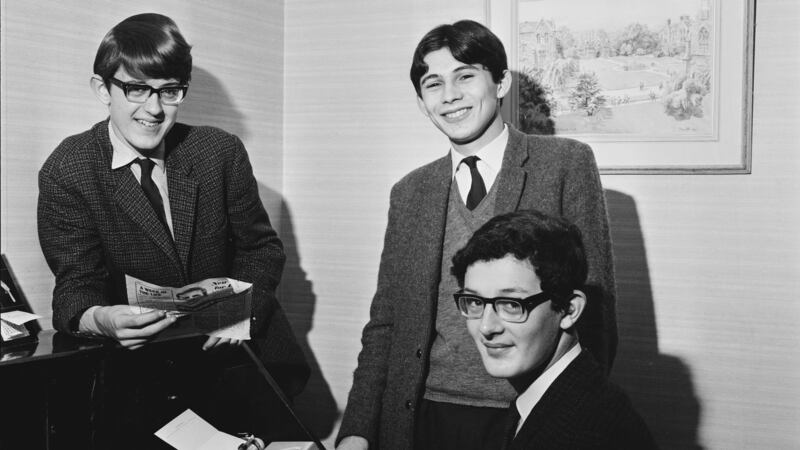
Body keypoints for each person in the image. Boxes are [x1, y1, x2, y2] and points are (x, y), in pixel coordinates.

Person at [337, 19, 616, 450]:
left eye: (465, 76)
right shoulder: (410, 192)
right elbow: (385, 321)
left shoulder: (564, 164)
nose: (449, 96)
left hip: (527, 413)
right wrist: (356, 430)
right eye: (433, 84)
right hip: (423, 414)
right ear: (421, 101)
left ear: (500, 82)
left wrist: (574, 416)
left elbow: (594, 307)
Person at [37, 12, 308, 446]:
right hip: (143, 384)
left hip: (243, 367)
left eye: (169, 91)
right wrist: (102, 319)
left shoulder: (219, 152)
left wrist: (233, 313)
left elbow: (262, 250)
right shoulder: (68, 170)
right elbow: (75, 287)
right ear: (102, 89)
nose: (154, 108)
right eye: (136, 88)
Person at [451, 210, 655, 449]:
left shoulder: (590, 434)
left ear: (569, 309)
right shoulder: (555, 399)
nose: (486, 327)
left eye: (511, 305)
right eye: (475, 302)